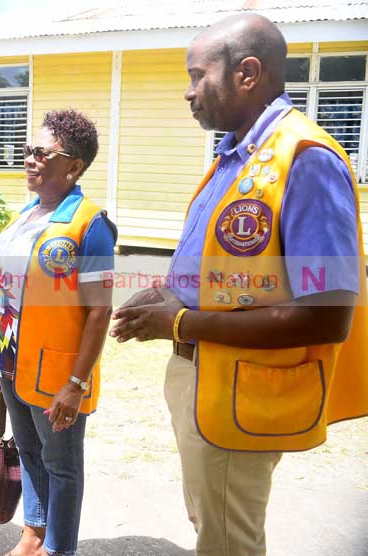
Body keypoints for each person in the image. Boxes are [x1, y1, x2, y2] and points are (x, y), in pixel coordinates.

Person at [110, 14, 367, 556]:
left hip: (239, 387)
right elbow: (229, 271)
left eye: (198, 75)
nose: (187, 91)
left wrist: (178, 321)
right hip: (201, 378)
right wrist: (169, 294)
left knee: (228, 541)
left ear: (248, 73)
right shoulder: (236, 155)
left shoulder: (304, 159)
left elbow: (328, 314)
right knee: (214, 525)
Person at [0, 109, 116, 556]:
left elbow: (99, 312)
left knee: (62, 464)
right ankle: (34, 533)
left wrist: (76, 384)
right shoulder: (27, 215)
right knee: (29, 451)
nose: (29, 159)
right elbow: (4, 290)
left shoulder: (90, 226)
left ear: (73, 166)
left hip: (58, 371)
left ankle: (59, 548)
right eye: (28, 150)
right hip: (13, 362)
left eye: (41, 152)